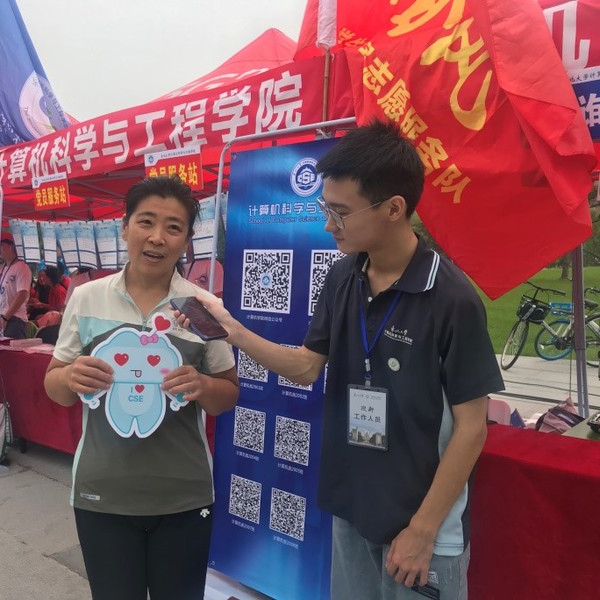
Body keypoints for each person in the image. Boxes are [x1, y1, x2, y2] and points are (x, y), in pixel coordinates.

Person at [177, 121, 504, 600]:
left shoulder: (452, 299)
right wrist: (234, 331)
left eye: (340, 212)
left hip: (423, 527)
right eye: (324, 208)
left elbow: (472, 428)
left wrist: (422, 529)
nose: (328, 224)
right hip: (353, 507)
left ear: (394, 208)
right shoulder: (343, 276)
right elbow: (307, 366)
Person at [43, 176, 239, 600]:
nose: (157, 237)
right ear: (125, 227)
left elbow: (227, 394)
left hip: (183, 496)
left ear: (187, 240)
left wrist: (202, 384)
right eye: (146, 222)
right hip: (102, 494)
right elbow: (55, 386)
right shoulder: (87, 298)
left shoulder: (199, 306)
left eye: (173, 227)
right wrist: (70, 376)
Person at [0, 232, 31, 339]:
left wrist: (6, 317)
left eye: (1, 245)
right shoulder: (1, 268)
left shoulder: (22, 267)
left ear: (12, 246)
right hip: (0, 317)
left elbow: (22, 294)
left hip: (15, 319)